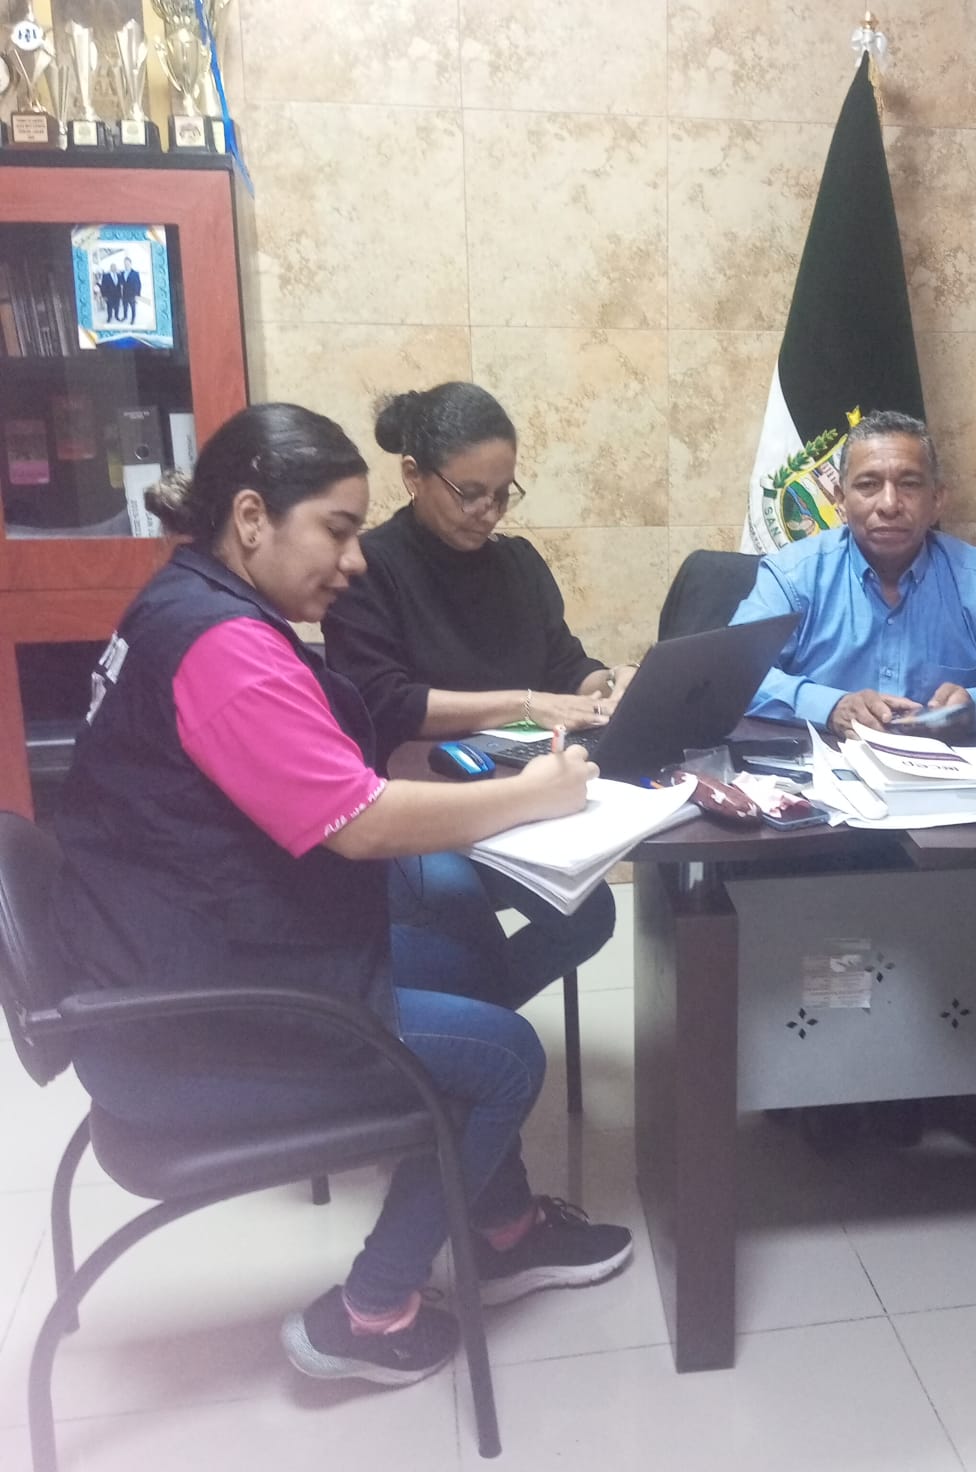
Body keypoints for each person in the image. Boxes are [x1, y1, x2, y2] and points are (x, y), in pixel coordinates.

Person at [51, 403, 632, 1388]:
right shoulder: (223, 647)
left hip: (177, 956)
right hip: (187, 1017)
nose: (354, 560)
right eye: (337, 528)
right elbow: (359, 822)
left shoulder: (188, 603)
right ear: (250, 518)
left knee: (470, 968)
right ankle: (367, 1313)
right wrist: (534, 795)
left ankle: (502, 1227)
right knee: (505, 1056)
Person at [323, 382, 631, 1012]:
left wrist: (609, 685)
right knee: (454, 907)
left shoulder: (517, 565)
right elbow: (384, 702)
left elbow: (565, 665)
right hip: (415, 803)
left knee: (589, 912)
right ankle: (460, 1034)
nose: (487, 512)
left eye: (502, 494)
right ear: (414, 476)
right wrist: (525, 703)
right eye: (469, 493)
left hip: (515, 790)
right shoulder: (369, 570)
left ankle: (465, 1025)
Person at [729, 409, 976, 737]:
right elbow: (731, 676)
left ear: (937, 500)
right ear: (840, 501)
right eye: (868, 485)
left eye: (909, 484)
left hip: (947, 773)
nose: (889, 504)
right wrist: (830, 707)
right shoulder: (793, 576)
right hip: (820, 771)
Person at [119, 255, 141, 326]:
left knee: (133, 307)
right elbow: (121, 283)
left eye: (127, 263)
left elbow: (138, 284)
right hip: (124, 294)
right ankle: (125, 316)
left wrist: (137, 295)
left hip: (132, 294)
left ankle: (133, 318)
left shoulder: (135, 273)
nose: (126, 265)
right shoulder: (122, 273)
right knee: (125, 306)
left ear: (130, 263)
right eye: (125, 263)